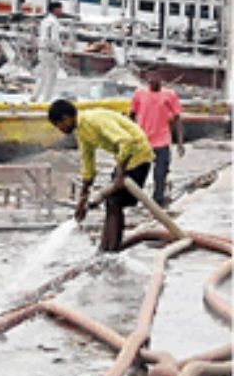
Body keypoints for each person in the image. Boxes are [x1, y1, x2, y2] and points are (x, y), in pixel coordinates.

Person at [49, 99, 154, 252]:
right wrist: (83, 199)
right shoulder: (82, 131)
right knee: (110, 203)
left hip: (139, 156)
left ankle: (112, 250)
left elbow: (126, 141)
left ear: (66, 118)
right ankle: (106, 248)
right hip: (126, 160)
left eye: (58, 125)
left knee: (115, 202)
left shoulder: (94, 120)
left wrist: (120, 175)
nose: (60, 129)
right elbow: (88, 163)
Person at [129, 70, 185, 206]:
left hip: (162, 142)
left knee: (160, 174)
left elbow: (177, 118)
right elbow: (131, 116)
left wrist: (180, 143)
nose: (153, 79)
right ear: (147, 78)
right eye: (151, 76)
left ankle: (158, 201)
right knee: (137, 174)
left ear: (161, 78)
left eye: (156, 76)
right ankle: (133, 201)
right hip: (142, 142)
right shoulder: (139, 94)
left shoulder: (169, 95)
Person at [33, 1, 66, 102]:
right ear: (55, 9)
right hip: (50, 51)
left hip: (42, 50)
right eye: (60, 8)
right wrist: (60, 50)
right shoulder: (54, 22)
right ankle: (46, 100)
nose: (62, 11)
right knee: (51, 77)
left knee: (42, 75)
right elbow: (54, 39)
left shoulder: (44, 21)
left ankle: (34, 97)